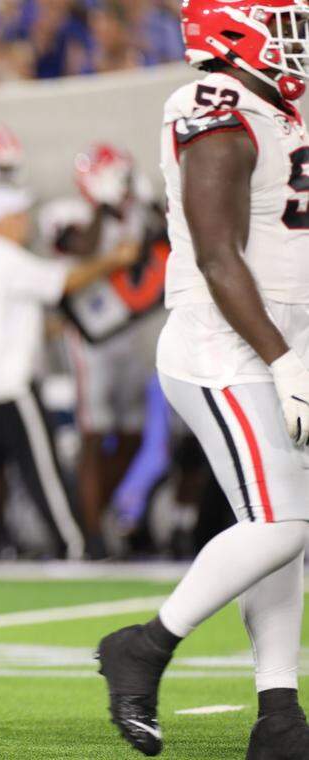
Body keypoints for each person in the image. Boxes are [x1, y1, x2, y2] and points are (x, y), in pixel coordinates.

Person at [97, 0, 309, 756]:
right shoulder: (214, 106)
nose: (299, 42)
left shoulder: (279, 105)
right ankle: (144, 646)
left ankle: (279, 714)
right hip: (226, 343)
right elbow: (220, 255)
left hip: (278, 339)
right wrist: (284, 363)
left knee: (281, 527)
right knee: (283, 522)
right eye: (285, 25)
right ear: (232, 29)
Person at [0, 187, 138, 561]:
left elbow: (11, 314)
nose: (24, 223)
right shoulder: (3, 257)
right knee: (43, 465)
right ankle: (77, 544)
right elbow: (62, 281)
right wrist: (116, 259)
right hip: (8, 381)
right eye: (17, 216)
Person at [39, 143, 167, 557]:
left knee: (133, 434)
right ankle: (91, 534)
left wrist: (150, 205)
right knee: (93, 433)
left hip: (133, 334)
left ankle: (95, 511)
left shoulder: (138, 212)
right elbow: (81, 249)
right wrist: (102, 204)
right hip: (89, 338)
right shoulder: (67, 211)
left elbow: (168, 241)